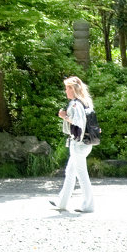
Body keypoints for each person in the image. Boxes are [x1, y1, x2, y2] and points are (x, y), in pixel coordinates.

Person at [51, 76, 95, 213]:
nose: (66, 91)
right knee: (70, 172)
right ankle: (62, 202)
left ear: (73, 89)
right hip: (86, 143)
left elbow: (78, 122)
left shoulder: (75, 104)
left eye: (67, 88)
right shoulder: (86, 102)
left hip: (78, 144)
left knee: (81, 174)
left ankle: (88, 205)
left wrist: (64, 116)